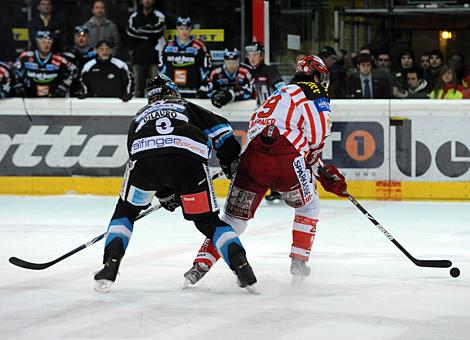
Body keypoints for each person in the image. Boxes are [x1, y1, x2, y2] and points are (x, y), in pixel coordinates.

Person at [183, 55, 348, 287]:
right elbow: (317, 134)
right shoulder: (314, 91)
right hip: (285, 160)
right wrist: (318, 165)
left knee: (233, 219)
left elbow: (262, 131)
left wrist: (315, 165)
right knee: (308, 206)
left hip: (250, 160)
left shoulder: (278, 95)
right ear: (316, 75)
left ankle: (201, 264)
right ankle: (299, 262)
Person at [93, 74, 257, 293]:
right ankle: (241, 267)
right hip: (189, 164)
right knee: (208, 222)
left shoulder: (140, 116)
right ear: (172, 91)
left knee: (125, 214)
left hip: (145, 165)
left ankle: (109, 266)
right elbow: (224, 134)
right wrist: (229, 164)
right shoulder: (184, 106)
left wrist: (164, 192)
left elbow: (139, 154)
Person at [245, 42, 286, 203]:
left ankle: (277, 189)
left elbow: (283, 89)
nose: (252, 57)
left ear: (261, 55)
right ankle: (272, 188)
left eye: (255, 54)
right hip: (262, 119)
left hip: (273, 120)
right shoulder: (250, 72)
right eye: (249, 54)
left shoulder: (269, 70)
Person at [160, 17, 212, 98]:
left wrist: (204, 87)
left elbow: (206, 69)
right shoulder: (168, 46)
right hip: (173, 92)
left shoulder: (199, 46)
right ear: (177, 29)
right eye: (181, 28)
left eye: (187, 28)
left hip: (193, 90)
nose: (184, 31)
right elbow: (162, 70)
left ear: (190, 29)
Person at [13, 30, 73, 98]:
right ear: (38, 43)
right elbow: (15, 71)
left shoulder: (60, 60)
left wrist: (63, 87)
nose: (46, 45)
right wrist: (18, 84)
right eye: (43, 42)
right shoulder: (25, 57)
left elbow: (73, 71)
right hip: (30, 98)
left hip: (53, 99)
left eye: (49, 42)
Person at [127, 0, 165, 97]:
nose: (147, 1)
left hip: (154, 59)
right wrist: (149, 34)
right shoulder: (134, 16)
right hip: (137, 58)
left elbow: (158, 31)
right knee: (137, 91)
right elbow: (130, 32)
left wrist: (140, 31)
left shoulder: (159, 16)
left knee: (156, 90)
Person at [63, 26, 97, 96]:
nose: (81, 39)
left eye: (84, 36)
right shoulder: (67, 53)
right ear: (74, 38)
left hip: (90, 87)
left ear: (88, 38)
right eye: (78, 36)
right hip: (71, 87)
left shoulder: (94, 53)